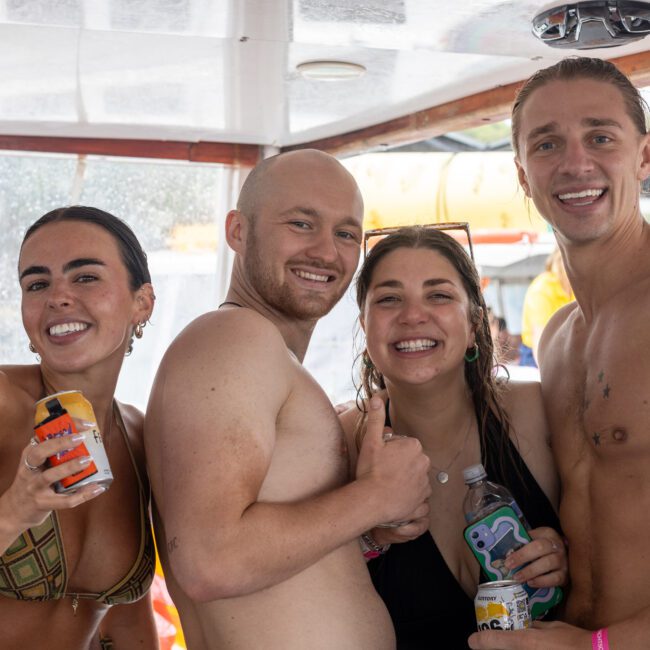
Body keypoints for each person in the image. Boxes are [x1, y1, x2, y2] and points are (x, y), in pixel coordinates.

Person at [144, 149, 432, 649]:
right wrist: (376, 498)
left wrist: (366, 531)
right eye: (301, 224)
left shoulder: (263, 355)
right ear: (238, 231)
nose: (326, 251)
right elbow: (210, 562)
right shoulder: (232, 337)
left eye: (345, 234)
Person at [468, 57, 650, 649]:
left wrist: (590, 647)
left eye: (601, 137)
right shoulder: (558, 337)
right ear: (522, 174)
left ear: (644, 156)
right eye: (547, 144)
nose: (575, 164)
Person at [339, 225, 567, 649]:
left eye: (439, 295)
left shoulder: (536, 412)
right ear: (365, 327)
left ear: (474, 321)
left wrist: (569, 554)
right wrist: (367, 538)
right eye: (389, 299)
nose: (412, 315)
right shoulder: (341, 443)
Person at [0, 206, 157, 649]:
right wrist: (13, 511)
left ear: (141, 302)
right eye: (37, 284)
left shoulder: (141, 439)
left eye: (85, 277)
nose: (58, 297)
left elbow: (127, 619)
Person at [519, 248, 573, 367]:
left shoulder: (575, 290)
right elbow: (539, 342)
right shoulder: (543, 288)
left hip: (566, 349)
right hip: (535, 356)